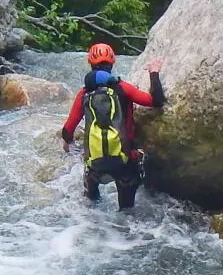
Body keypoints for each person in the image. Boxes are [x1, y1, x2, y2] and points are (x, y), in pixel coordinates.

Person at [60, 43, 165, 210]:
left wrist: (67, 143)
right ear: (112, 63)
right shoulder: (123, 88)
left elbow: (68, 130)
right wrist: (154, 72)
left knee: (90, 209)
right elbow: (156, 101)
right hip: (124, 160)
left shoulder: (83, 94)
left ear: (90, 64)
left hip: (95, 163)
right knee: (127, 213)